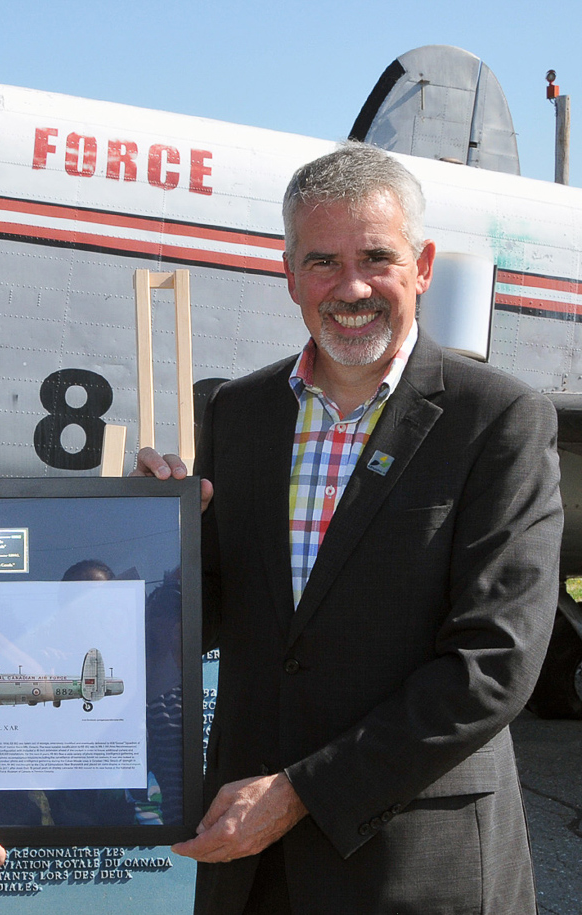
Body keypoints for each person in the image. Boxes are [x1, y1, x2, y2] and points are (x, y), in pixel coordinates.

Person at [136, 143, 562, 913]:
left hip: (415, 863)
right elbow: (217, 606)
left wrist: (301, 791)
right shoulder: (239, 412)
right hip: (251, 868)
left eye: (377, 257)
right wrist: (150, 536)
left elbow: (494, 660)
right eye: (324, 261)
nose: (352, 286)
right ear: (289, 272)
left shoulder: (498, 419)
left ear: (423, 264)